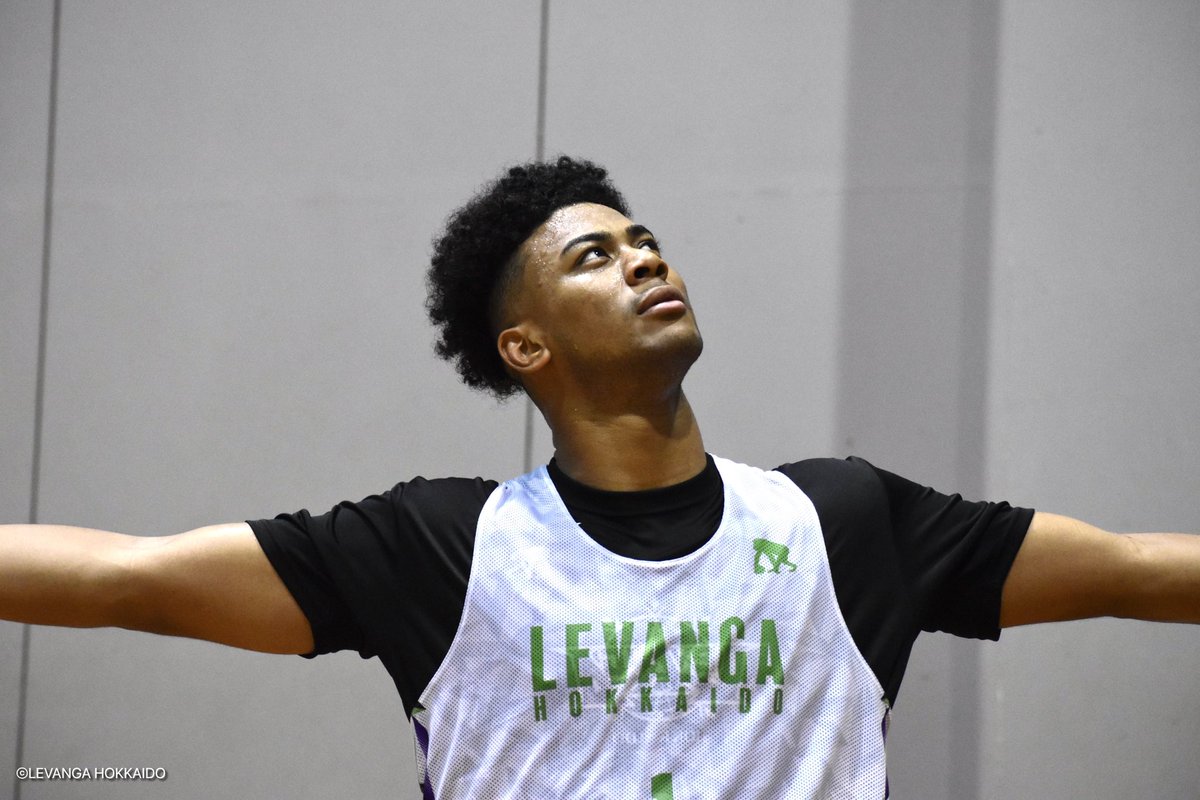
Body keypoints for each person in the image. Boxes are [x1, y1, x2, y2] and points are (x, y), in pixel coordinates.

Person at [2, 156, 1197, 798]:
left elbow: (1139, 570)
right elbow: (126, 577)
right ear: (526, 345)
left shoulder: (840, 519)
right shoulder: (445, 546)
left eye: (647, 243)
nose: (644, 261)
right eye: (595, 255)